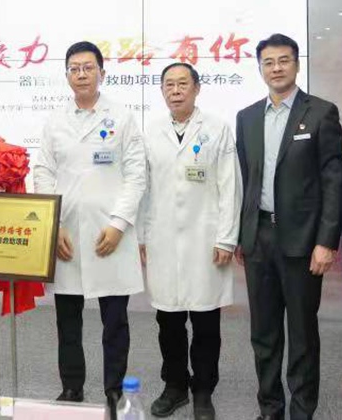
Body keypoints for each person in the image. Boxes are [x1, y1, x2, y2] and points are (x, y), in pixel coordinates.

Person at [235, 34, 342, 420]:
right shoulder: (247, 117)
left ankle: (301, 410)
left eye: (284, 60)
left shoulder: (321, 113)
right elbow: (246, 180)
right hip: (259, 238)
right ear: (260, 68)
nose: (276, 68)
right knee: (263, 334)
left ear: (297, 65)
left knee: (302, 333)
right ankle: (270, 408)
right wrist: (243, 235)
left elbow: (334, 181)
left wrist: (326, 241)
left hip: (302, 241)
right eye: (268, 62)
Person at [34, 41, 147, 409]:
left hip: (109, 233)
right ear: (67, 75)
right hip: (66, 233)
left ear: (102, 72)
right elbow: (43, 171)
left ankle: (114, 389)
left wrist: (119, 224)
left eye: (88, 67)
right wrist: (53, 226)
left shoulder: (122, 117)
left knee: (115, 320)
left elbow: (136, 175)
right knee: (67, 319)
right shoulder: (55, 120)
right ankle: (72, 386)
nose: (81, 74)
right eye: (74, 68)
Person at [139, 63, 242, 420]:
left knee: (205, 322)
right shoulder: (150, 132)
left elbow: (230, 185)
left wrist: (226, 238)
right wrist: (141, 236)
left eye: (183, 83)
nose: (176, 90)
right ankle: (175, 386)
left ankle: (203, 390)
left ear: (197, 88)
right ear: (162, 91)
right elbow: (143, 188)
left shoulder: (217, 129)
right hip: (162, 238)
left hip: (205, 239)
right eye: (169, 85)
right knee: (167, 320)